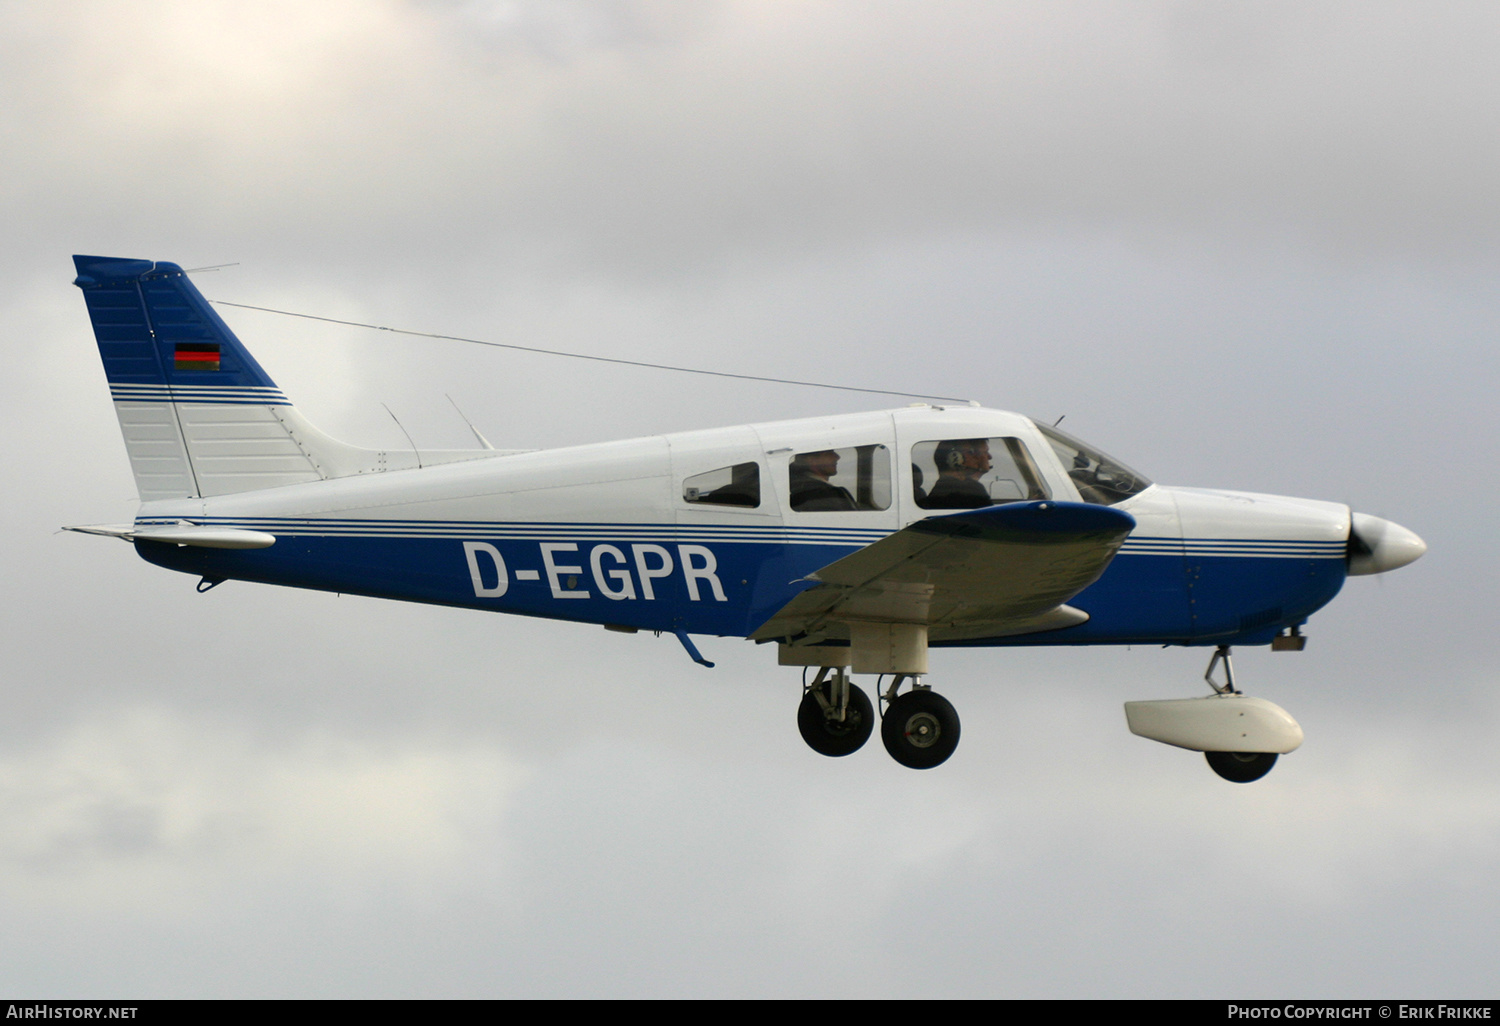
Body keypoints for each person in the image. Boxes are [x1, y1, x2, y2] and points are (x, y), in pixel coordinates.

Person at [920, 438, 992, 509]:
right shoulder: (970, 492)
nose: (989, 457)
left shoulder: (940, 491)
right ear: (956, 457)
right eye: (985, 452)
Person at [789, 449, 857, 511]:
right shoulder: (818, 494)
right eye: (829, 453)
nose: (837, 457)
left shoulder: (801, 488)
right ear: (812, 460)